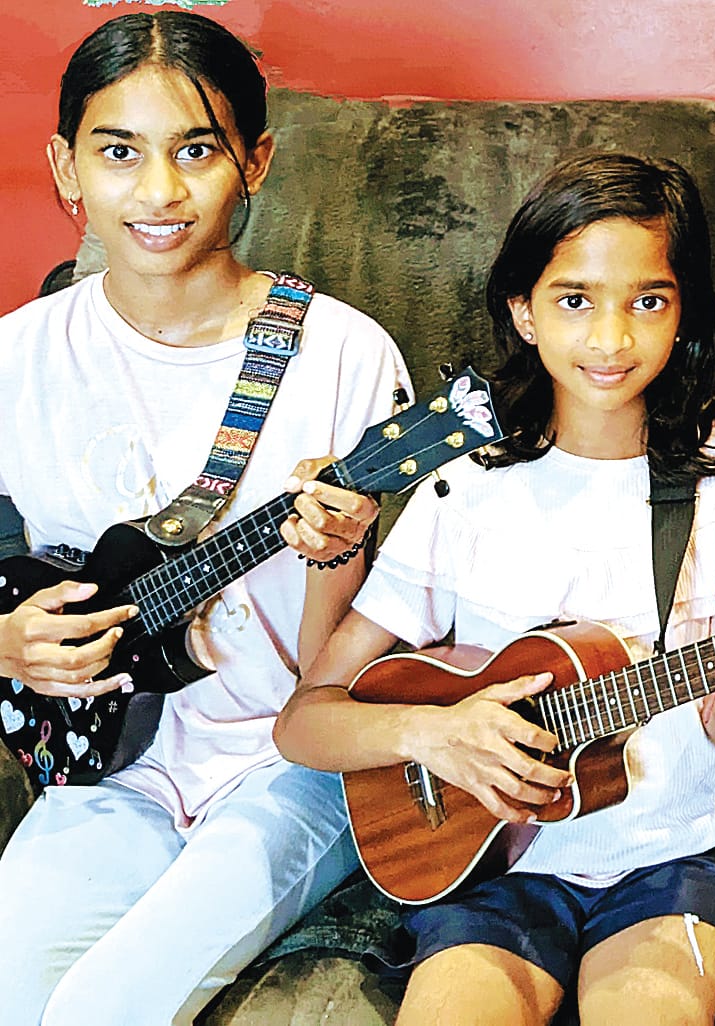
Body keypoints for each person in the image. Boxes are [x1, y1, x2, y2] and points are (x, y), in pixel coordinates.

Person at [276, 152, 715, 1026]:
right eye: (575, 300)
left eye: (648, 301)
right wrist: (438, 734)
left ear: (684, 316)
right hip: (491, 856)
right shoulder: (468, 477)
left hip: (670, 850)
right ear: (522, 311)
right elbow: (305, 720)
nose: (611, 340)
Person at [0, 11, 412, 1024]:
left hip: (288, 765)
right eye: (118, 153)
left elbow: (342, 673)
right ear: (65, 167)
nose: (157, 192)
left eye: (196, 151)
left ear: (257, 161)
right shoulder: (19, 359)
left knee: (104, 1007)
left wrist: (338, 549)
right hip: (106, 761)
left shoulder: (344, 357)